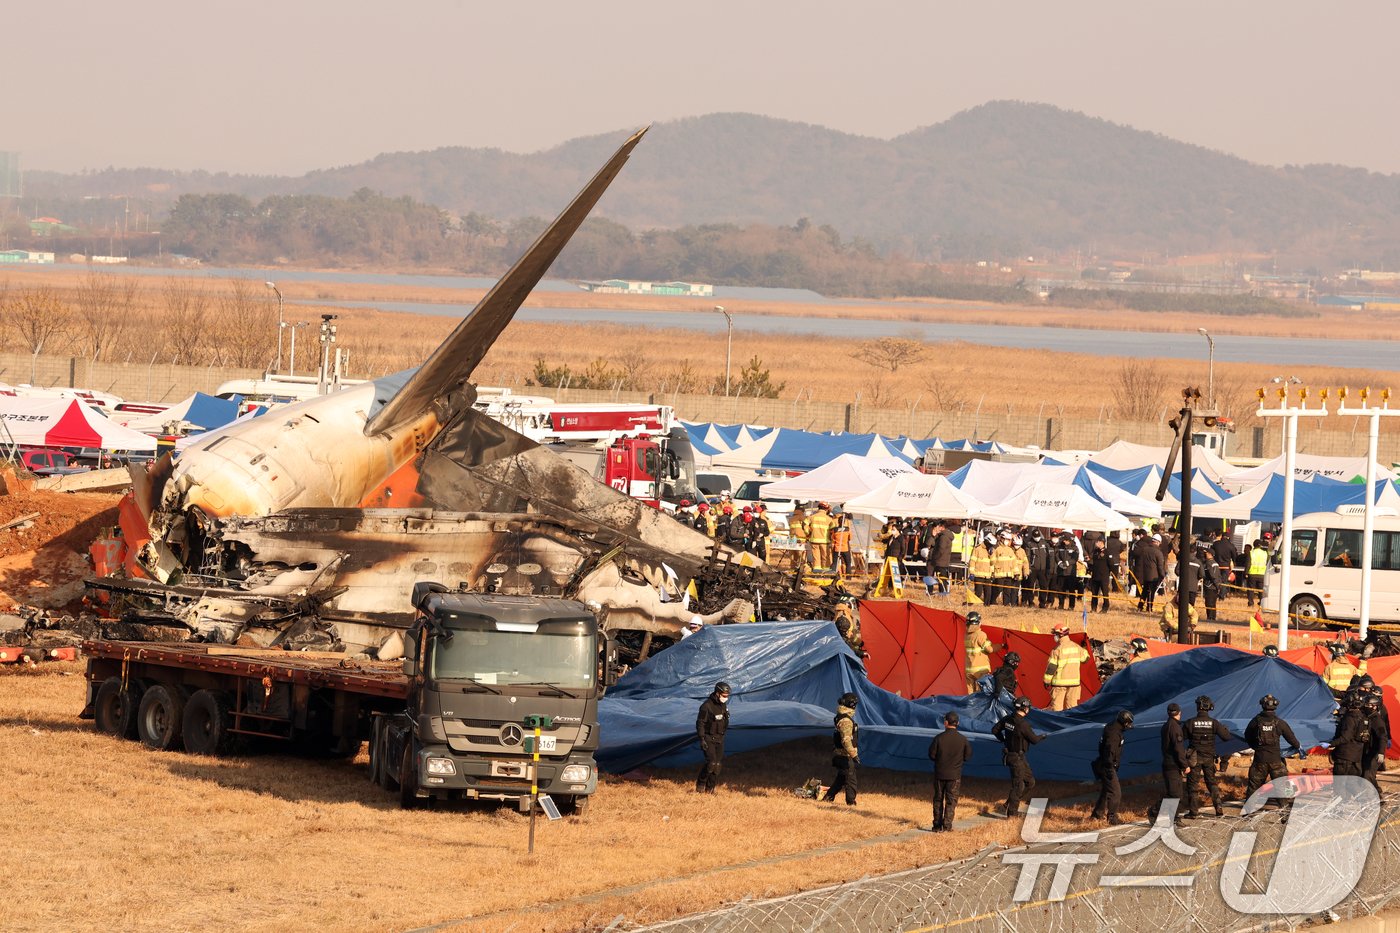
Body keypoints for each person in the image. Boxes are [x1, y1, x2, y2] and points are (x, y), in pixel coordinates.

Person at [1244, 694, 1302, 802]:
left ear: (1262, 705)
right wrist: (1298, 747)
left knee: (1253, 788)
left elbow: (1247, 736)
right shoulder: (1280, 723)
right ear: (1275, 706)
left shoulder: (1255, 721)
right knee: (1282, 789)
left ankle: (1247, 813)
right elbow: (1292, 739)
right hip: (1276, 761)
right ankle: (1284, 814)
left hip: (1259, 761)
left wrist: (1256, 746)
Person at [992, 696, 1042, 818]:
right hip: (1015, 758)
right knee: (1018, 786)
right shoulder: (1023, 724)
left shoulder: (1008, 719)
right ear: (1025, 708)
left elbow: (994, 730)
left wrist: (1003, 739)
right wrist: (1044, 736)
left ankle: (1009, 802)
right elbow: (1034, 740)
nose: (1029, 709)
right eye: (1028, 707)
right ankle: (1012, 814)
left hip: (1017, 756)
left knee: (1030, 782)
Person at [1184, 695, 1232, 817]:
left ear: (1198, 707)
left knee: (1193, 785)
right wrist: (1225, 729)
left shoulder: (1190, 722)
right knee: (1211, 783)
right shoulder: (1214, 723)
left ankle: (1193, 812)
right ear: (1209, 707)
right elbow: (1226, 737)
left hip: (1194, 758)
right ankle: (1219, 807)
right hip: (1209, 758)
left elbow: (1181, 737)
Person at [927, 711, 973, 831]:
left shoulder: (939, 738)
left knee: (938, 799)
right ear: (957, 723)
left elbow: (931, 755)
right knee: (951, 801)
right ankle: (947, 826)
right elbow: (968, 756)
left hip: (940, 774)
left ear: (945, 723)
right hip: (954, 776)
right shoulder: (963, 739)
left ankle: (937, 826)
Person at [1149, 702, 1191, 825]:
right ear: (1179, 713)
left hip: (1170, 764)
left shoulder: (1167, 725)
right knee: (1174, 793)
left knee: (1178, 793)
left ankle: (1175, 817)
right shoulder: (1175, 727)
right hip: (1172, 764)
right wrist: (1185, 765)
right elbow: (1178, 748)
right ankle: (1154, 811)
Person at [1091, 710, 1134, 824]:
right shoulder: (1114, 733)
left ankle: (1097, 815)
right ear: (1124, 722)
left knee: (1106, 790)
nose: (1128, 726)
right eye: (1128, 723)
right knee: (1116, 792)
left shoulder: (1111, 727)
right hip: (1107, 765)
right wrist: (1110, 766)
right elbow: (1109, 750)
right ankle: (1112, 817)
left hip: (1104, 763)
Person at [822, 691, 860, 805]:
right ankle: (851, 802)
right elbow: (846, 740)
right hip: (844, 755)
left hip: (840, 754)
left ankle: (828, 797)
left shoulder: (841, 717)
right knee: (851, 779)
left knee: (842, 778)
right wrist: (854, 755)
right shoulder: (846, 721)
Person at [695, 681, 730, 793]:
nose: (726, 698)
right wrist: (702, 739)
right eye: (724, 696)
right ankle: (700, 785)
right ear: (717, 693)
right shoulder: (706, 706)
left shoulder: (723, 705)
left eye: (727, 696)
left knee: (717, 766)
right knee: (711, 763)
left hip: (719, 738)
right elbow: (700, 723)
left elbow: (725, 721)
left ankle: (710, 789)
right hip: (708, 738)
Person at [1044, 625, 1088, 711]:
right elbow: (1085, 659)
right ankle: (1071, 723)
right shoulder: (1077, 647)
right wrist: (1084, 648)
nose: (1054, 637)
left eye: (1055, 634)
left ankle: (1057, 723)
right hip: (1074, 684)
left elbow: (1051, 668)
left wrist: (1046, 681)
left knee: (1057, 707)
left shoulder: (1057, 649)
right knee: (1072, 707)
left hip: (1059, 684)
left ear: (1060, 635)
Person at [1330, 689, 1367, 778]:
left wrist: (1330, 744)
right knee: (1353, 787)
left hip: (1345, 757)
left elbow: (1345, 737)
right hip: (1357, 757)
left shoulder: (1349, 718)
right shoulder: (1363, 717)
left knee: (1340, 787)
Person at [1135, 533, 1167, 613]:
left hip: (1145, 574)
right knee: (1151, 593)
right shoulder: (1158, 552)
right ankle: (1149, 608)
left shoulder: (1144, 549)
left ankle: (1140, 607)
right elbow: (1160, 566)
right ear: (1158, 542)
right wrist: (1163, 576)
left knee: (1144, 592)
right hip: (1154, 576)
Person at [964, 611, 995, 694]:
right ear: (978, 622)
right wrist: (1001, 645)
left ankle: (970, 707)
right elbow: (990, 650)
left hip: (968, 669)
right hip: (979, 670)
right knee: (980, 693)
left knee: (970, 693)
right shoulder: (980, 634)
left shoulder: (966, 635)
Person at [1363, 692, 1389, 789]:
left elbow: (1383, 737)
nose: (1366, 707)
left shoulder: (1377, 720)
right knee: (1366, 775)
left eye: (1368, 705)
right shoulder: (1367, 717)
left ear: (1374, 706)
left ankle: (1378, 796)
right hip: (1368, 751)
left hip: (1376, 752)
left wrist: (1381, 752)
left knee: (1368, 774)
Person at [992, 531, 1020, 607]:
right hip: (999, 573)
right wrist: (992, 572)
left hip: (1009, 574)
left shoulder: (1010, 550)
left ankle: (1006, 604)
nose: (1007, 541)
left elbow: (1014, 563)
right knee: (998, 589)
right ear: (1001, 538)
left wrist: (1016, 573)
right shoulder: (996, 549)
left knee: (1007, 591)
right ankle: (992, 600)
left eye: (1008, 539)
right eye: (1006, 539)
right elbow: (993, 561)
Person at [1087, 539, 1113, 613]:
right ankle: (1093, 608)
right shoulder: (1095, 551)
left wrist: (1109, 572)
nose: (1096, 543)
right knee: (1094, 593)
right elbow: (1094, 562)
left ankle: (1105, 608)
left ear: (1101, 543)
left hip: (1104, 576)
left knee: (1105, 592)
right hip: (1095, 575)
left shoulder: (1107, 552)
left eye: (1097, 542)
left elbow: (1111, 564)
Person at [969, 534, 995, 605]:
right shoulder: (977, 549)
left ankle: (987, 606)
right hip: (978, 575)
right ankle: (970, 604)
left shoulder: (992, 550)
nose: (991, 546)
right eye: (990, 544)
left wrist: (991, 554)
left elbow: (992, 563)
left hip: (988, 576)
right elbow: (972, 561)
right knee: (978, 593)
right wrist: (971, 573)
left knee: (988, 593)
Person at [808, 502, 835, 571]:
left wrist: (808, 533)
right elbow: (833, 530)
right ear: (826, 509)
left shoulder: (812, 517)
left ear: (818, 508)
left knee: (816, 556)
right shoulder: (829, 519)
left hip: (814, 540)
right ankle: (825, 571)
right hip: (825, 541)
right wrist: (831, 538)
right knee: (825, 556)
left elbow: (804, 524)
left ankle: (817, 570)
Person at [930, 520, 953, 595]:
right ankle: (942, 592)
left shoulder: (943, 537)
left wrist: (935, 558)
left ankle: (942, 593)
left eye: (939, 526)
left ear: (942, 527)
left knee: (942, 579)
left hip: (940, 561)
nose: (938, 528)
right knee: (942, 578)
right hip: (944, 560)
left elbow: (941, 549)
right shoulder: (945, 536)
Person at [1199, 547, 1223, 622]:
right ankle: (1213, 617)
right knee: (1213, 603)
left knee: (1209, 603)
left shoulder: (1208, 563)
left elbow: (1212, 575)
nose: (1205, 554)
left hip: (1210, 585)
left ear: (1210, 554)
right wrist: (1219, 585)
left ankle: (1210, 617)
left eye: (1206, 553)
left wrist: (1216, 584)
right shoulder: (1215, 563)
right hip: (1215, 585)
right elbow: (1218, 575)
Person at [1246, 538, 1269, 607]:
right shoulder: (1265, 553)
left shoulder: (1251, 553)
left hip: (1252, 574)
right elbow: (1267, 563)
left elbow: (1248, 564)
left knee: (1251, 589)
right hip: (1262, 574)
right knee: (1261, 590)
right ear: (1260, 545)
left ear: (1254, 545)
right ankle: (1261, 602)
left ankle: (1251, 603)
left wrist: (1246, 573)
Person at [831, 513, 852, 580]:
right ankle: (848, 577)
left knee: (835, 563)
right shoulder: (847, 529)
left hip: (837, 548)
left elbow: (832, 538)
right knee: (848, 563)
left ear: (838, 522)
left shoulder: (835, 529)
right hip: (845, 548)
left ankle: (833, 576)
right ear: (844, 522)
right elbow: (850, 538)